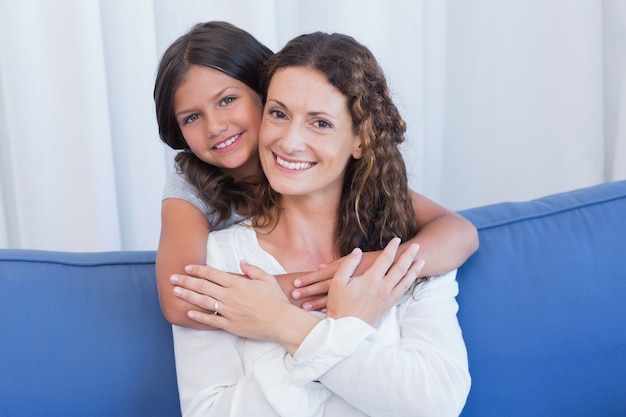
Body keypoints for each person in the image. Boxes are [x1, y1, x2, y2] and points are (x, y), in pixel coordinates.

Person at [172, 31, 471, 416]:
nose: (290, 141)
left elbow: (437, 403)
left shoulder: (409, 250)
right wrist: (343, 333)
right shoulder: (217, 262)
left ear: (360, 141)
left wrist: (290, 326)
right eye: (279, 114)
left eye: (321, 123)